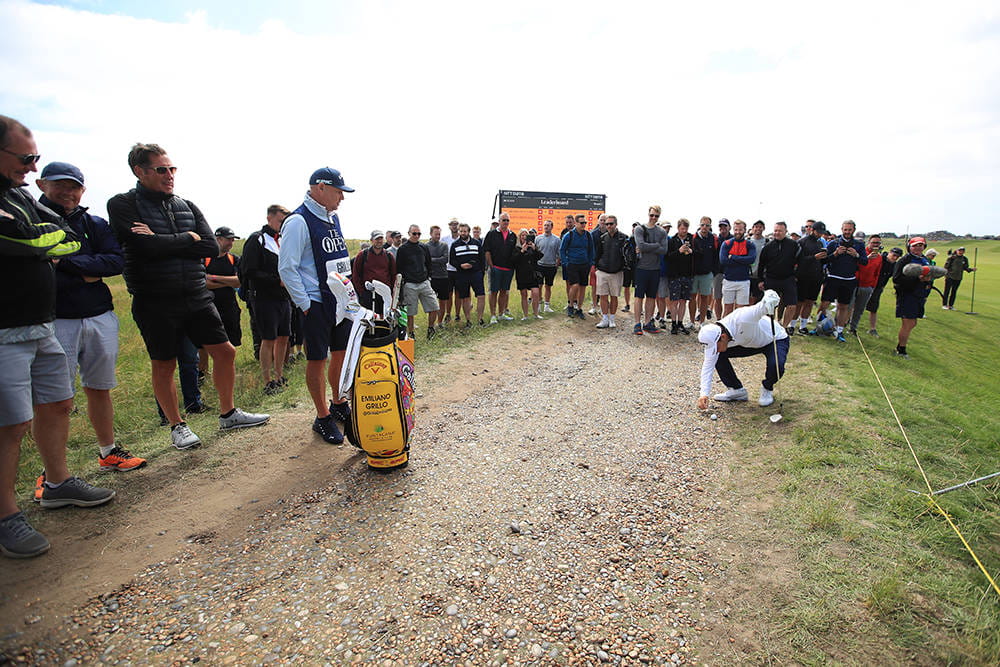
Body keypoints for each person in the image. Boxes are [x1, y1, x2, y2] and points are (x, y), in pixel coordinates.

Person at [1, 116, 115, 559]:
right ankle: (7, 514)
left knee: (59, 402)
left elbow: (62, 239)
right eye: (26, 158)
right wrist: (38, 241)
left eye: (36, 159)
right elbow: (35, 242)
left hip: (40, 321)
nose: (31, 168)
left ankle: (57, 482)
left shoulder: (19, 197)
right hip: (6, 326)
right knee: (11, 423)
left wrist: (40, 240)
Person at [108, 143, 268, 451]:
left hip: (196, 294)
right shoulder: (122, 204)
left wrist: (164, 240)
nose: (169, 176)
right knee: (165, 363)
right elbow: (143, 248)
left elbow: (209, 246)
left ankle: (229, 413)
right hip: (154, 298)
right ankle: (177, 426)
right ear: (139, 172)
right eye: (161, 170)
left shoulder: (187, 205)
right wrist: (186, 239)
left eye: (172, 169)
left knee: (225, 352)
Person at [37, 161, 143, 473]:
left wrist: (66, 263)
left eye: (74, 186)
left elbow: (114, 262)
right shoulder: (33, 222)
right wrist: (86, 271)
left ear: (83, 190)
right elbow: (40, 271)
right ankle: (52, 473)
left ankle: (108, 452)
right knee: (55, 399)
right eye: (60, 185)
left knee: (99, 388)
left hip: (99, 316)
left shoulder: (94, 223)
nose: (67, 192)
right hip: (56, 319)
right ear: (43, 185)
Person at [277, 167, 355, 445]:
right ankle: (322, 417)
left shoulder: (332, 218)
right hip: (317, 302)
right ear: (319, 188)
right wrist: (306, 304)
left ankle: (338, 403)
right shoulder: (298, 221)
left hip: (340, 302)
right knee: (317, 360)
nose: (342, 199)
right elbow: (287, 268)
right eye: (338, 192)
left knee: (341, 354)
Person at [696, 290, 788, 410]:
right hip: (748, 342)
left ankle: (767, 387)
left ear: (723, 337)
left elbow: (761, 307)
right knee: (718, 356)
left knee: (776, 365)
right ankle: (736, 390)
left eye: (716, 346)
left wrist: (769, 300)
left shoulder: (742, 317)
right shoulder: (716, 337)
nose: (715, 350)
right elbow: (708, 366)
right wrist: (704, 394)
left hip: (774, 339)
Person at [242, 204, 292, 395]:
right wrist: (276, 281)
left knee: (284, 337)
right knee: (268, 338)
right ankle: (267, 380)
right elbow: (249, 271)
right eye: (280, 220)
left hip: (283, 297)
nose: (282, 224)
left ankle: (279, 375)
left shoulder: (283, 241)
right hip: (263, 297)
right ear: (269, 218)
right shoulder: (257, 240)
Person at [200, 226, 243, 379]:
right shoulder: (204, 258)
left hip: (229, 306)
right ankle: (203, 373)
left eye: (233, 239)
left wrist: (214, 278)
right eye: (228, 239)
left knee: (230, 341)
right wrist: (227, 281)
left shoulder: (234, 259)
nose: (231, 242)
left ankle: (228, 371)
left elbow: (239, 282)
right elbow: (203, 283)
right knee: (204, 343)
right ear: (218, 239)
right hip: (207, 306)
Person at [817, 220, 867, 342]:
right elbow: (823, 260)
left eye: (850, 230)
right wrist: (835, 254)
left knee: (843, 306)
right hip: (833, 277)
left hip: (849, 279)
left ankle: (839, 331)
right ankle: (818, 327)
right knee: (824, 304)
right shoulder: (834, 243)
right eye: (845, 229)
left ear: (853, 230)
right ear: (842, 229)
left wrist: (856, 255)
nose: (847, 232)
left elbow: (865, 262)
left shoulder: (859, 245)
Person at [754, 221, 800, 335]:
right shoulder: (768, 246)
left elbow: (799, 261)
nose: (777, 233)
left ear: (785, 231)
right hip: (771, 278)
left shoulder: (793, 245)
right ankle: (770, 327)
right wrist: (760, 280)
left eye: (780, 231)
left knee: (792, 305)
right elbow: (761, 265)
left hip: (788, 278)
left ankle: (783, 327)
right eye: (775, 230)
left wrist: (796, 275)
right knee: (770, 306)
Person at [892, 237, 932, 359]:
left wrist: (927, 280)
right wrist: (916, 279)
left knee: (913, 323)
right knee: (907, 323)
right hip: (907, 295)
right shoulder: (904, 260)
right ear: (909, 247)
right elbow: (896, 278)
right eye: (915, 245)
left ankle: (900, 346)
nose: (918, 248)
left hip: (920, 295)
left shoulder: (925, 260)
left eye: (921, 245)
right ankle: (901, 350)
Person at [397, 224, 439, 338]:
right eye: (414, 233)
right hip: (410, 284)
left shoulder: (423, 247)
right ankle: (411, 333)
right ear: (409, 233)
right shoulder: (403, 249)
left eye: (418, 233)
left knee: (434, 307)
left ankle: (431, 329)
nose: (416, 236)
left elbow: (428, 263)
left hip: (424, 282)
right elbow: (399, 268)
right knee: (410, 312)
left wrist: (429, 277)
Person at [632, 206, 668, 334]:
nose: (653, 218)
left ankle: (647, 323)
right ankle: (637, 323)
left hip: (655, 269)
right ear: (648, 214)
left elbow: (664, 250)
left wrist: (647, 247)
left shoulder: (662, 232)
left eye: (656, 216)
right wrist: (656, 245)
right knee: (638, 296)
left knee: (652, 297)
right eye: (652, 215)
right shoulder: (639, 229)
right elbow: (640, 245)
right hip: (641, 267)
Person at [593, 215, 628, 329]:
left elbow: (627, 256)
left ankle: (612, 319)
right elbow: (597, 254)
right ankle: (604, 319)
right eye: (606, 224)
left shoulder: (623, 238)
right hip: (602, 271)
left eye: (611, 224)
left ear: (616, 224)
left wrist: (623, 267)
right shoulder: (602, 238)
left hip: (616, 272)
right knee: (603, 296)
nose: (608, 226)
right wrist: (596, 266)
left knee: (614, 296)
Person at [793, 220, 828, 334]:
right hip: (803, 276)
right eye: (818, 232)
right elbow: (798, 260)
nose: (820, 234)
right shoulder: (802, 242)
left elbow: (823, 262)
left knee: (810, 302)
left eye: (821, 232)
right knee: (799, 302)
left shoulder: (820, 243)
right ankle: (792, 324)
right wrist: (814, 257)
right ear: (812, 230)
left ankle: (803, 325)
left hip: (816, 277)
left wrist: (830, 256)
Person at [350, 229, 396, 313]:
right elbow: (356, 275)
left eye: (381, 239)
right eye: (377, 239)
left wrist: (392, 292)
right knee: (369, 319)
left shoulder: (389, 256)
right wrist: (362, 292)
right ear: (371, 240)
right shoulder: (362, 255)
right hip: (368, 293)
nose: (379, 241)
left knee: (384, 320)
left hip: (385, 293)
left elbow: (393, 275)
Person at [449, 222, 486, 327]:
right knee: (465, 297)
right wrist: (460, 266)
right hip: (462, 274)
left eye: (465, 231)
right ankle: (468, 320)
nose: (463, 233)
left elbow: (481, 259)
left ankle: (480, 319)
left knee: (481, 296)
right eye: (461, 231)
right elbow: (452, 260)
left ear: (469, 232)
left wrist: (476, 268)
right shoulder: (454, 244)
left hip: (476, 273)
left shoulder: (476, 243)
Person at [559, 214, 595, 320]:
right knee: (574, 285)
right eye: (582, 222)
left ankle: (579, 309)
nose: (584, 224)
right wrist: (565, 262)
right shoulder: (569, 235)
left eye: (585, 223)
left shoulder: (588, 235)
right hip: (572, 264)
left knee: (583, 287)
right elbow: (562, 249)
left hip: (584, 265)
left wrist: (590, 262)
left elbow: (591, 250)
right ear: (576, 223)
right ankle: (570, 306)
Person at [483, 213, 518, 323]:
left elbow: (515, 252)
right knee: (493, 291)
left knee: (504, 292)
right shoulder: (491, 234)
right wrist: (491, 266)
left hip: (508, 269)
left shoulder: (513, 235)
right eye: (504, 220)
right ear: (499, 221)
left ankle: (501, 314)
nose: (506, 222)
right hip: (495, 268)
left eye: (507, 220)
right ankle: (493, 315)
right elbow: (487, 251)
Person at [665, 218, 698, 334]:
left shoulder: (692, 239)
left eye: (686, 228)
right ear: (678, 228)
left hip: (687, 275)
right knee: (674, 301)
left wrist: (691, 251)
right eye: (682, 228)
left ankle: (680, 322)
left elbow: (699, 254)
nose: (684, 231)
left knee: (683, 301)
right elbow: (667, 257)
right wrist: (679, 251)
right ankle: (673, 323)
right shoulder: (672, 241)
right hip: (675, 275)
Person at [719, 219, 757, 317]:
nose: (738, 232)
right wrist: (743, 261)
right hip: (729, 280)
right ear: (733, 230)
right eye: (736, 230)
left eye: (740, 230)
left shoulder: (750, 244)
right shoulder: (727, 244)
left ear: (744, 230)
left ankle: (739, 331)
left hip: (743, 281)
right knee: (728, 308)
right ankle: (725, 330)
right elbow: (723, 261)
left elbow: (751, 259)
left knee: (741, 310)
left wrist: (733, 257)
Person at [846, 235, 883, 335]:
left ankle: (853, 328)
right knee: (848, 306)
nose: (875, 245)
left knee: (859, 309)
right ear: (868, 243)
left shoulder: (879, 258)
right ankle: (841, 324)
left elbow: (877, 273)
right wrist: (867, 258)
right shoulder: (861, 252)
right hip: (855, 283)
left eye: (878, 243)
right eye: (873, 242)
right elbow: (857, 264)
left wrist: (872, 286)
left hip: (867, 286)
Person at [866, 246, 902, 337]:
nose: (895, 258)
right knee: (857, 304)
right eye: (893, 255)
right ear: (889, 252)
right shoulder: (879, 259)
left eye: (897, 257)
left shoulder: (895, 265)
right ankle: (848, 322)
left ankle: (872, 329)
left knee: (874, 308)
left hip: (878, 288)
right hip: (868, 284)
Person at [689, 217, 716, 326]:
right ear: (700, 225)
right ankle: (691, 321)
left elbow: (715, 256)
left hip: (707, 273)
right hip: (694, 273)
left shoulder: (713, 239)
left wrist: (713, 271)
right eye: (703, 225)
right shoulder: (693, 238)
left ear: (710, 226)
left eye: (707, 225)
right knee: (692, 297)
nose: (705, 227)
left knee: (704, 298)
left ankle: (702, 322)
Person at [510, 230, 543, 320]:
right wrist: (522, 251)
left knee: (536, 293)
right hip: (521, 274)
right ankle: (525, 315)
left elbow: (540, 256)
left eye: (526, 235)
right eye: (522, 235)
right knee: (523, 294)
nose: (524, 237)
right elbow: (514, 260)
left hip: (532, 274)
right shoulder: (516, 248)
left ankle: (536, 314)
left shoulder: (532, 247)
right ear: (519, 237)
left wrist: (534, 248)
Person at [426, 225, 451, 335]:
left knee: (443, 301)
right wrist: (436, 260)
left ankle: (440, 322)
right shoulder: (426, 246)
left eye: (439, 234)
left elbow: (445, 259)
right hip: (432, 277)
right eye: (436, 234)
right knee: (432, 303)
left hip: (443, 276)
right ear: (431, 234)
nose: (438, 236)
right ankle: (431, 324)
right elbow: (426, 261)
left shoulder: (444, 245)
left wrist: (432, 260)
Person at [534, 219, 560, 313]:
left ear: (552, 227)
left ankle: (547, 306)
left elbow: (559, 254)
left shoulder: (557, 239)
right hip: (540, 266)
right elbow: (535, 252)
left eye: (548, 225)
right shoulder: (538, 238)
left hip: (551, 266)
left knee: (548, 286)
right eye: (545, 225)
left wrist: (556, 265)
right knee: (539, 286)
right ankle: (539, 305)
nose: (546, 227)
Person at [440, 217, 462, 323]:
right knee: (448, 294)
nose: (454, 226)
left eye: (456, 224)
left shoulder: (462, 238)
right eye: (452, 224)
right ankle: (448, 314)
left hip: (460, 270)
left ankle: (457, 314)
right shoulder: (444, 239)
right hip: (447, 270)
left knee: (458, 293)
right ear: (449, 226)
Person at [587, 214, 608, 315]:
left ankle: (603, 307)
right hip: (594, 263)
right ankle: (594, 306)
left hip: (607, 265)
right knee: (594, 286)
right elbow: (589, 249)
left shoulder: (611, 233)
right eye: (601, 220)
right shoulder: (592, 234)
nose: (603, 222)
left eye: (605, 220)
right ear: (598, 221)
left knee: (604, 287)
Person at [711, 218, 732, 318]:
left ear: (729, 227)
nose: (723, 229)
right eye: (721, 227)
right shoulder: (715, 240)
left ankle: (728, 321)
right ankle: (719, 319)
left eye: (725, 227)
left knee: (730, 300)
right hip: (718, 272)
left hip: (730, 273)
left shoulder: (733, 240)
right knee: (717, 298)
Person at [748, 220, 767, 304]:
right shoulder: (747, 241)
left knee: (757, 299)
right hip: (747, 274)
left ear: (763, 228)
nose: (758, 229)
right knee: (746, 299)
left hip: (760, 275)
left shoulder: (767, 242)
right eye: (756, 227)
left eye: (760, 227)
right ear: (752, 228)